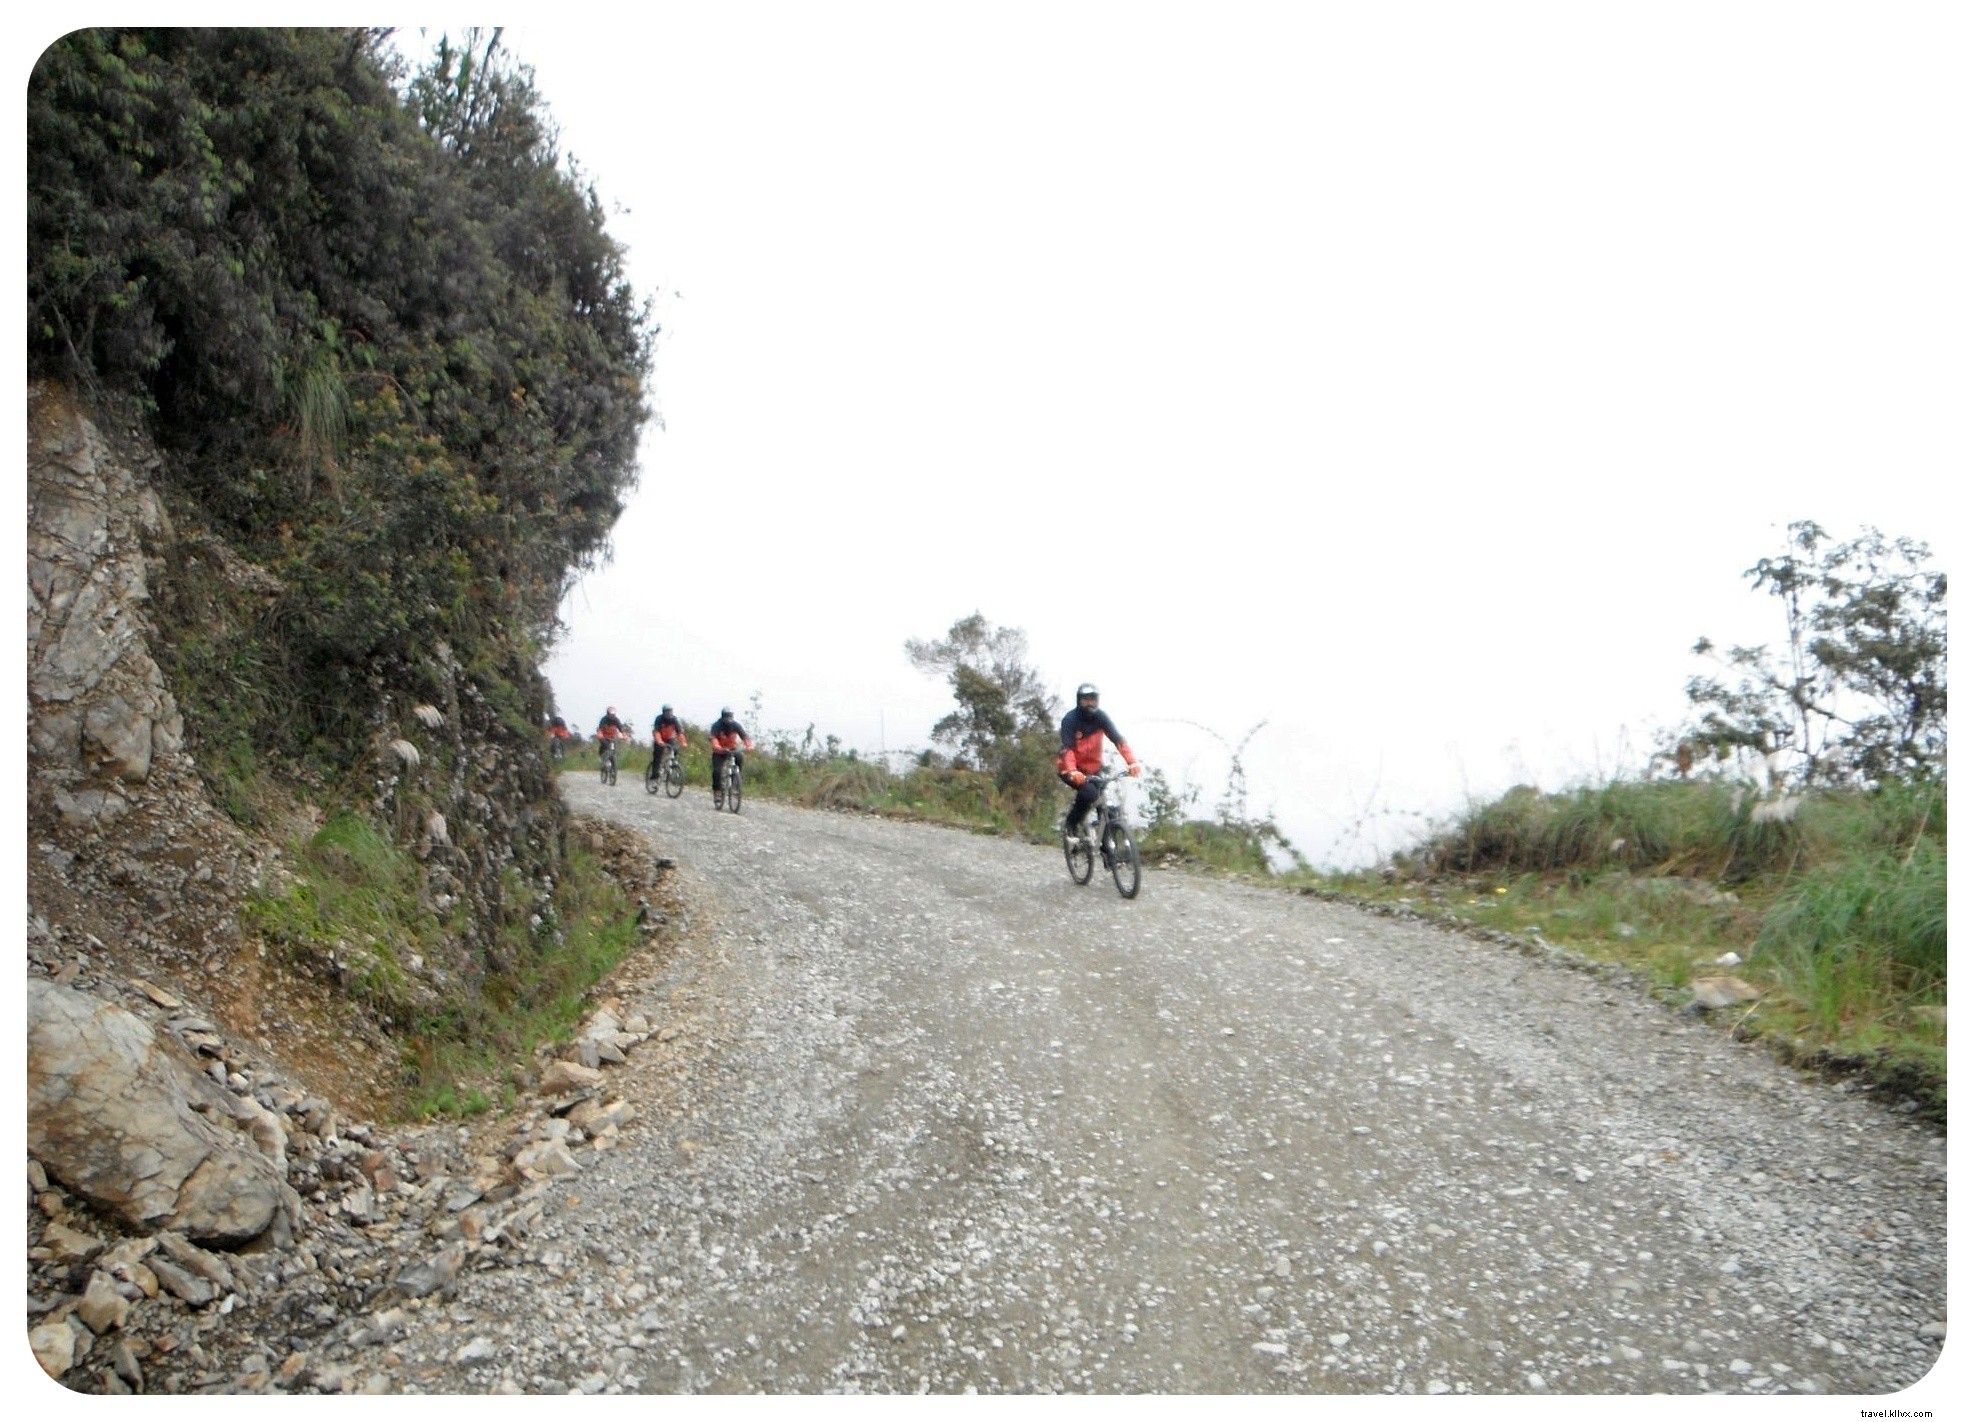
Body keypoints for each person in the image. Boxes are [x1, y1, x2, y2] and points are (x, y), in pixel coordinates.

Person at [1057, 683, 1141, 840]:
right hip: (1070, 769)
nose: (1089, 704)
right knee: (1089, 794)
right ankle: (1071, 824)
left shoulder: (1101, 717)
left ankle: (1108, 851)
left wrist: (1132, 762)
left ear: (1097, 700)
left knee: (1108, 811)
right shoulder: (1070, 720)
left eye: (1092, 700)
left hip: (1094, 769)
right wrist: (1073, 771)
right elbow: (1067, 749)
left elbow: (1118, 740)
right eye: (1085, 700)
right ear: (1078, 701)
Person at [708, 707, 754, 802]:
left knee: (740, 757)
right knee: (717, 771)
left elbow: (745, 737)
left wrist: (748, 745)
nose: (728, 719)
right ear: (722, 716)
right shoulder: (717, 726)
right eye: (726, 716)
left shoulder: (736, 725)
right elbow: (713, 738)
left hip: (732, 749)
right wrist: (716, 745)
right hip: (719, 751)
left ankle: (736, 781)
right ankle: (717, 792)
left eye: (730, 716)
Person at [649, 704, 688, 781]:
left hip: (670, 738)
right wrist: (659, 741)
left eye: (671, 711)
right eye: (667, 712)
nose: (669, 713)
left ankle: (673, 766)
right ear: (663, 712)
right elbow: (656, 731)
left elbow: (679, 732)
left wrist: (683, 742)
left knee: (675, 750)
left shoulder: (674, 719)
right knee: (658, 755)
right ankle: (654, 775)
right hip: (660, 739)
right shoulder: (659, 719)